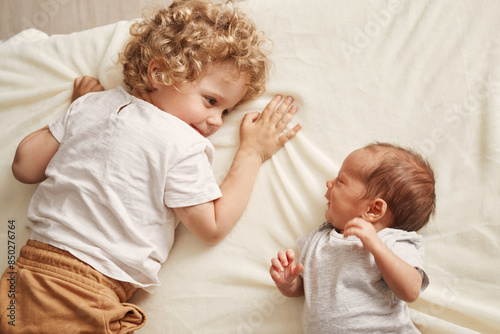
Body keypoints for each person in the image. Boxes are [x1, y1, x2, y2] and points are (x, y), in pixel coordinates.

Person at [0, 1, 301, 333]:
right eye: (211, 101)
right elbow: (212, 226)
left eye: (227, 113)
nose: (216, 121)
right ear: (158, 73)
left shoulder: (92, 106)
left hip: (24, 275)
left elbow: (24, 166)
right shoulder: (181, 142)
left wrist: (75, 114)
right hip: (84, 293)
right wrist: (252, 153)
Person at [270, 142, 436, 333]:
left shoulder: (391, 241)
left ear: (373, 210)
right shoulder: (318, 240)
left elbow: (410, 290)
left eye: (340, 180)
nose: (329, 183)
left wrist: (376, 245)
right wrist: (289, 283)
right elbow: (306, 290)